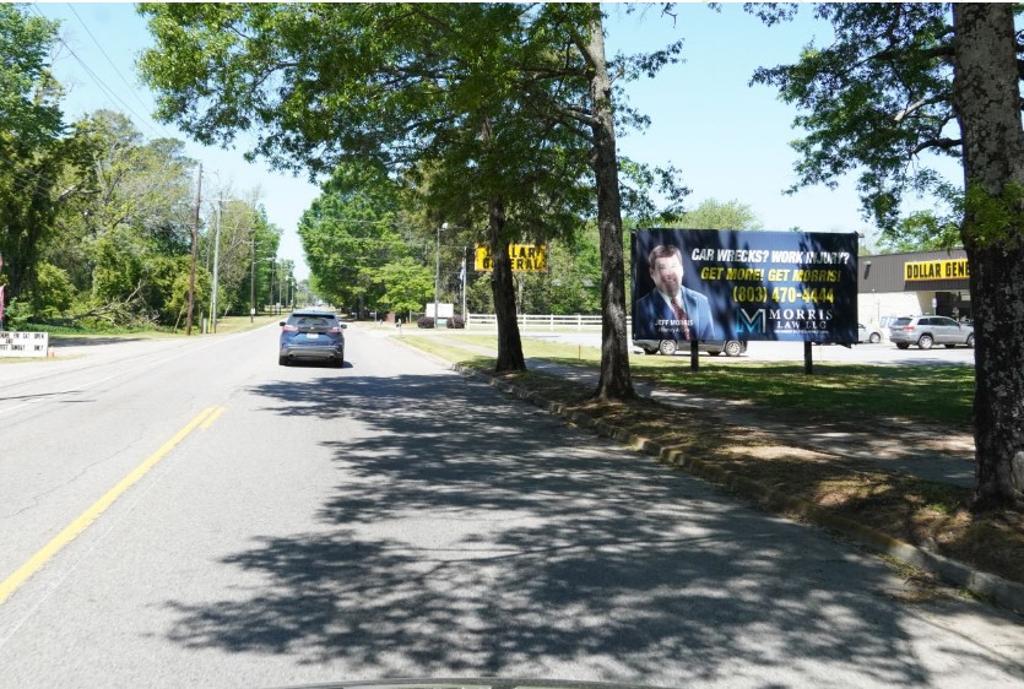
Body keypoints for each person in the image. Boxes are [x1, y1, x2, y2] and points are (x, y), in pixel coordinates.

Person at [634, 244, 719, 342]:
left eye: (674, 266)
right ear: (652, 273)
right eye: (662, 268)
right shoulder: (642, 307)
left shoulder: (701, 301)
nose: (670, 273)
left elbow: (709, 340)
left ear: (682, 270)